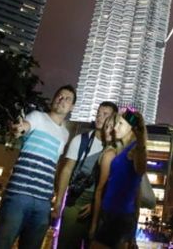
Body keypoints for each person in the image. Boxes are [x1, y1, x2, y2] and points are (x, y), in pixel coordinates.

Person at [0, 85, 76, 249]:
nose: (62, 100)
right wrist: (19, 129)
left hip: (43, 203)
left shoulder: (65, 134)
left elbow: (55, 165)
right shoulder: (37, 117)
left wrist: (57, 201)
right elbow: (23, 127)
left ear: (72, 107)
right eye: (60, 96)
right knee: (2, 244)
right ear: (53, 99)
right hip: (18, 195)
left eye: (67, 98)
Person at [55, 101, 118, 248]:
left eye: (105, 115)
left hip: (102, 204)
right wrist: (58, 201)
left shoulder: (116, 147)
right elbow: (67, 170)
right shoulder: (80, 140)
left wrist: (97, 204)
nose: (99, 117)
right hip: (76, 200)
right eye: (98, 113)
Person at [90, 109, 147, 249]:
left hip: (119, 217)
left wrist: (140, 141)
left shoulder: (135, 149)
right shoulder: (123, 149)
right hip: (112, 214)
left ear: (131, 128)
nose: (115, 128)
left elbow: (140, 170)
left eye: (120, 124)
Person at [88, 112, 120, 242]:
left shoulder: (109, 154)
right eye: (106, 127)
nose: (107, 131)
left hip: (106, 216)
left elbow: (100, 190)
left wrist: (94, 224)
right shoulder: (123, 153)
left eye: (111, 127)